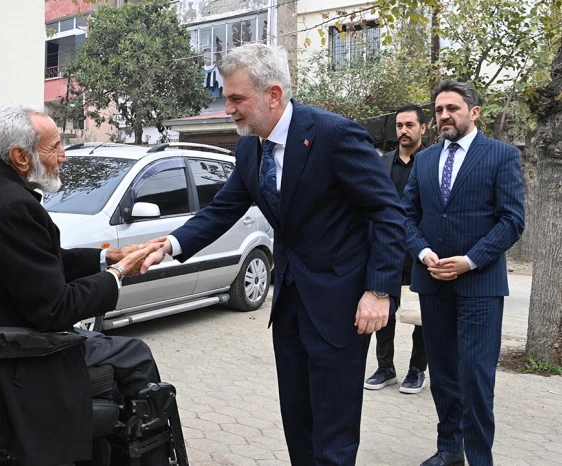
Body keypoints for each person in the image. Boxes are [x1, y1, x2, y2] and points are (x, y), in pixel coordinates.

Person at [143, 43, 407, 465]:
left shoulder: (335, 135)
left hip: (340, 305)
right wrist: (168, 246)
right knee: (298, 425)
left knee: (334, 434)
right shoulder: (249, 147)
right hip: (287, 307)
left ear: (273, 94)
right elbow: (223, 209)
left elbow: (387, 212)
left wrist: (379, 290)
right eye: (226, 97)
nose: (227, 109)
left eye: (236, 98)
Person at [0, 103, 166, 466]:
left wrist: (107, 258)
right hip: (21, 359)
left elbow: (37, 264)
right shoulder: (14, 208)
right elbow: (53, 310)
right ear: (20, 157)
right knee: (136, 355)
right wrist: (117, 276)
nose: (63, 156)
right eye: (55, 146)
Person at [402, 81, 524, 466]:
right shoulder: (424, 160)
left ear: (474, 112)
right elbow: (405, 216)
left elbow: (512, 220)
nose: (443, 116)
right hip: (432, 283)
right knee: (443, 375)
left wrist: (469, 260)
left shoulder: (501, 155)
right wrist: (423, 253)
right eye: (438, 110)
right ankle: (450, 450)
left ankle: (479, 458)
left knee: (474, 378)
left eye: (452, 108)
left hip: (479, 285)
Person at [364, 104, 429, 394]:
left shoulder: (431, 162)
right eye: (400, 125)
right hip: (387, 251)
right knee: (384, 312)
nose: (403, 130)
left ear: (423, 129)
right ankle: (385, 368)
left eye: (410, 125)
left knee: (420, 317)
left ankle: (417, 370)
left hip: (420, 252)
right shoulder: (383, 162)